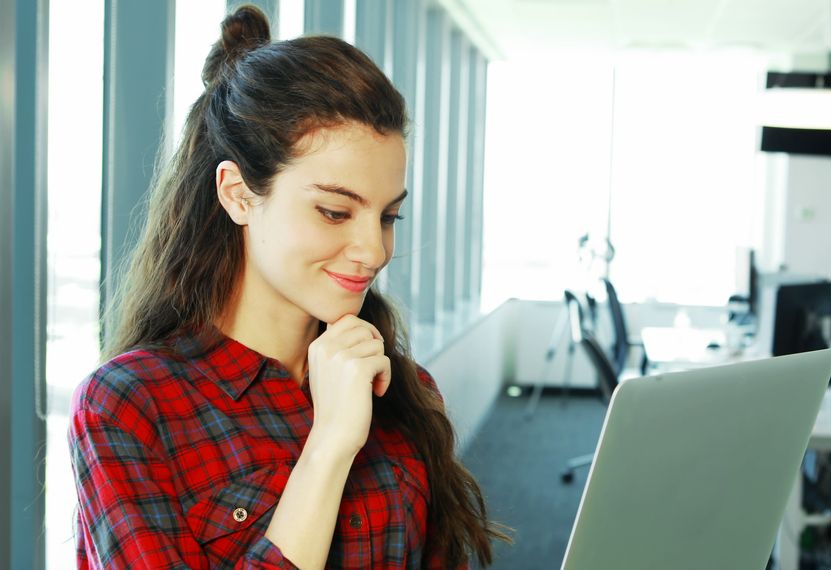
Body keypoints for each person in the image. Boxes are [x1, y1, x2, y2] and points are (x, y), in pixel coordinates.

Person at [68, 5, 507, 568]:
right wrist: (328, 446)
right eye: (333, 211)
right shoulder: (129, 406)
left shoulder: (400, 386)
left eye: (388, 217)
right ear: (239, 194)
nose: (373, 250)